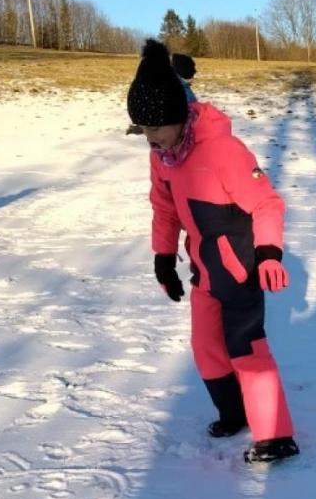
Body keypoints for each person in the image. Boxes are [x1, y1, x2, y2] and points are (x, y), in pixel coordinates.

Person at [127, 39, 298, 464]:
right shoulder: (163, 158)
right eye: (143, 131)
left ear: (179, 116)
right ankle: (233, 413)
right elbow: (164, 209)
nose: (150, 139)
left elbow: (266, 203)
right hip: (204, 270)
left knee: (247, 348)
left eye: (156, 129)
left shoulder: (223, 151)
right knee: (206, 346)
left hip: (240, 270)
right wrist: (164, 259)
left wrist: (270, 254)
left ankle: (276, 436)